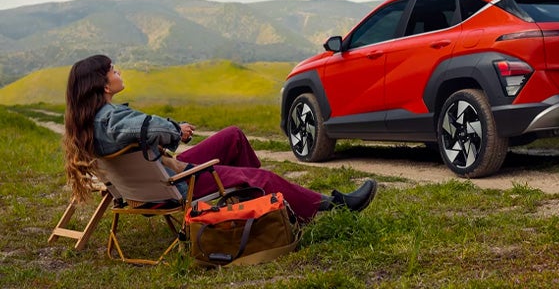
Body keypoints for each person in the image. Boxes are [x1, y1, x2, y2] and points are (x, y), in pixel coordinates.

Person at [62, 54, 377, 222]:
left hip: (161, 176)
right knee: (264, 177)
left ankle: (257, 204)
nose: (119, 72)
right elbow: (150, 128)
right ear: (104, 85)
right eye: (113, 69)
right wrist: (175, 130)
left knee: (233, 137)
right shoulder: (111, 120)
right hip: (177, 185)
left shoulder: (90, 121)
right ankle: (333, 205)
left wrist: (166, 134)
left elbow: (139, 135)